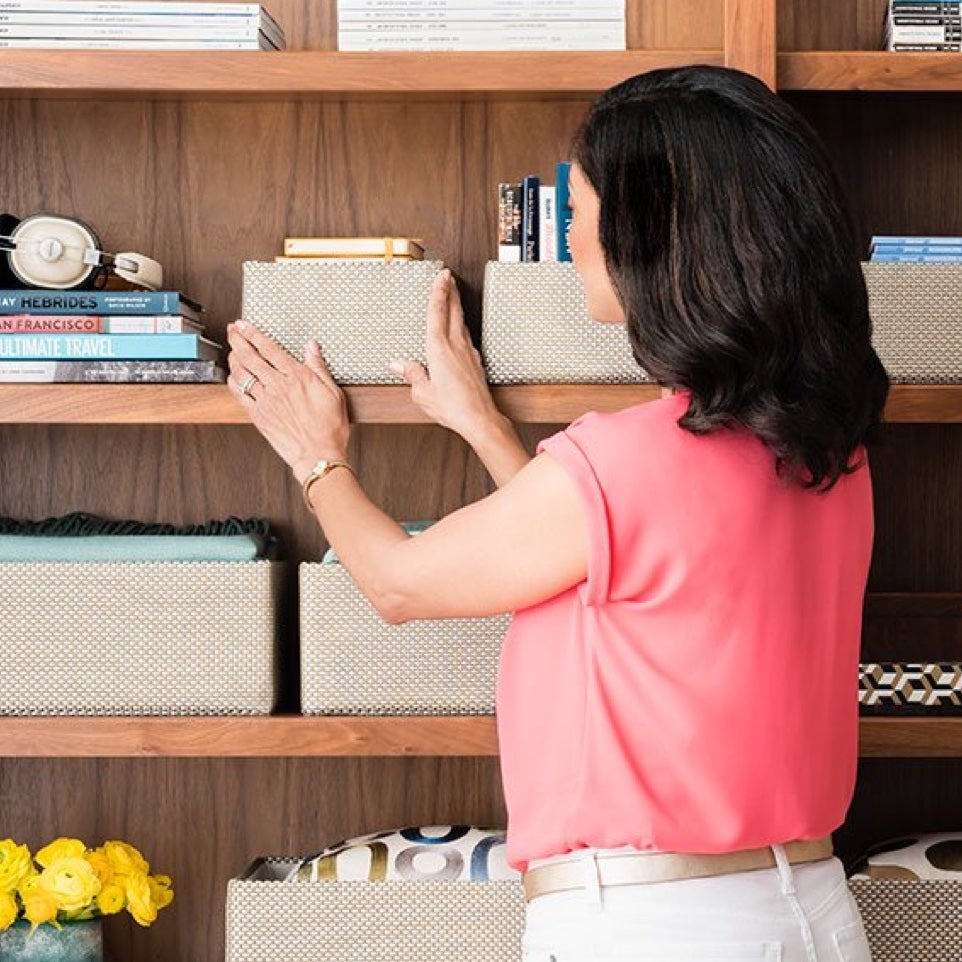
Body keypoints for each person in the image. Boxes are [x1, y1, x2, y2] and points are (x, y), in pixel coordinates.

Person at [226, 65, 888, 962]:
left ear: (650, 235)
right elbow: (610, 565)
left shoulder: (627, 460)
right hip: (807, 908)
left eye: (578, 212)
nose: (571, 239)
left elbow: (397, 584)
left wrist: (317, 453)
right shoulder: (830, 457)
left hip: (655, 929)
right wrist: (486, 428)